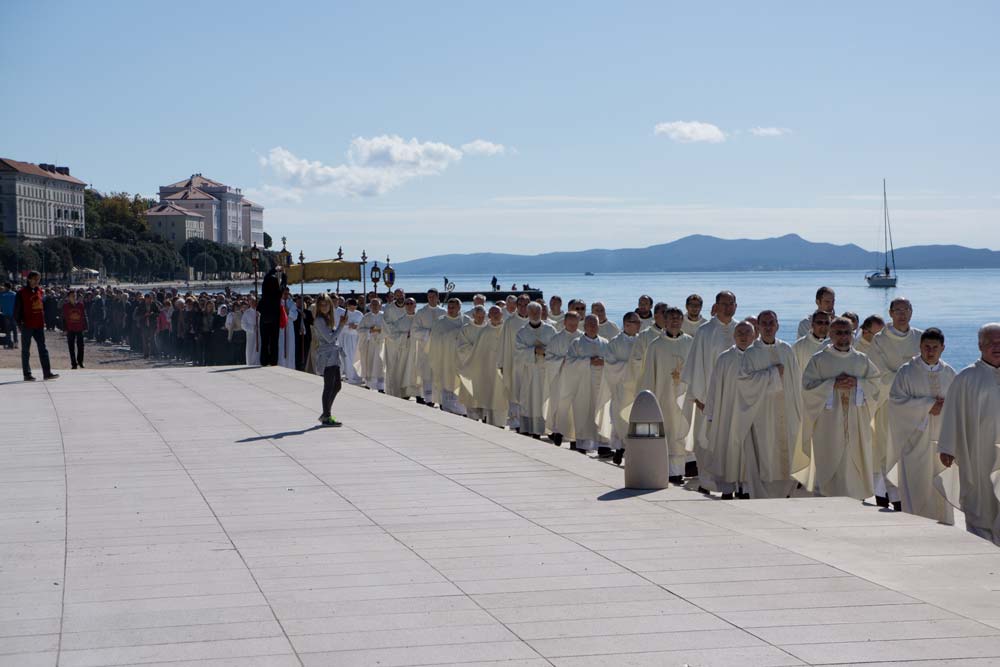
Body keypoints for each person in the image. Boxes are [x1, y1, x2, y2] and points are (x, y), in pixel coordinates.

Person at [800, 317, 881, 500]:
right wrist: (831, 384)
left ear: (853, 335)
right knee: (830, 463)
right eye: (838, 333)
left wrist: (858, 383)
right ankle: (828, 496)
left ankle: (856, 497)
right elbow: (806, 387)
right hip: (828, 424)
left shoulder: (861, 360)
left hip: (856, 423)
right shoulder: (819, 360)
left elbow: (876, 384)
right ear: (830, 334)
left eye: (847, 333)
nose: (843, 337)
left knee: (854, 463)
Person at [937, 323, 1000, 544]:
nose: (997, 346)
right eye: (991, 342)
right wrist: (947, 447)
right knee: (981, 504)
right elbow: (952, 413)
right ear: (980, 346)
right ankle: (982, 550)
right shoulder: (966, 377)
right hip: (978, 454)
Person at [887, 328, 956, 524]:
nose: (930, 351)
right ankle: (916, 527)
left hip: (943, 442)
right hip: (915, 442)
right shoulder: (907, 372)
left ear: (943, 348)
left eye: (935, 347)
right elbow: (895, 402)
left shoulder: (950, 372)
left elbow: (960, 404)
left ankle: (944, 528)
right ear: (920, 347)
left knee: (942, 490)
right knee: (917, 489)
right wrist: (927, 406)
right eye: (926, 347)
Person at [734, 310, 805, 499]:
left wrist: (799, 412)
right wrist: (772, 374)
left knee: (788, 456)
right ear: (757, 327)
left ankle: (786, 494)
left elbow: (796, 383)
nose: (767, 327)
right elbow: (744, 383)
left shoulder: (787, 350)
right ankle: (764, 497)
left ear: (777, 326)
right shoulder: (751, 353)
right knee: (766, 456)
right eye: (763, 323)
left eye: (771, 323)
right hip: (762, 415)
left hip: (787, 411)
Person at [869, 297, 922, 509]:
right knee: (888, 451)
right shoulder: (879, 340)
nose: (902, 314)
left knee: (914, 451)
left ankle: (913, 494)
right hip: (889, 405)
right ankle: (890, 495)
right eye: (897, 310)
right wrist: (908, 383)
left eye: (906, 309)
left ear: (911, 312)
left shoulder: (920, 337)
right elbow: (877, 373)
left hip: (917, 407)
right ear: (890, 313)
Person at [682, 290, 737, 482]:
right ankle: (706, 480)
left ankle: (731, 479)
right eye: (724, 304)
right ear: (716, 306)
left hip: (734, 397)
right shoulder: (705, 331)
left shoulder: (740, 330)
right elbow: (696, 364)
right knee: (706, 439)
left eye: (731, 304)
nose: (728, 307)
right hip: (708, 397)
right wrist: (699, 397)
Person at [703, 321, 758, 498]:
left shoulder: (759, 357)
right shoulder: (725, 358)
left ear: (754, 335)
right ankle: (728, 489)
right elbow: (713, 387)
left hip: (752, 415)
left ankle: (747, 488)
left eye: (747, 333)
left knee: (749, 452)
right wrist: (711, 414)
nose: (743, 336)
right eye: (739, 333)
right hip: (728, 414)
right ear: (734, 337)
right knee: (728, 451)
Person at [638, 307, 693, 482]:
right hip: (663, 397)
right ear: (665, 320)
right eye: (671, 318)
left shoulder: (690, 343)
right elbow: (648, 375)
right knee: (667, 432)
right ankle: (670, 473)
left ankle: (682, 469)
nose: (675, 321)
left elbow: (696, 370)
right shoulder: (655, 345)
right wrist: (649, 401)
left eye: (678, 318)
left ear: (682, 320)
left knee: (683, 430)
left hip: (684, 396)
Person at [562, 315, 612, 456]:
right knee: (584, 413)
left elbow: (611, 361)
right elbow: (569, 363)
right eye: (589, 325)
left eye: (594, 324)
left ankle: (603, 445)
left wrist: (604, 362)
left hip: (601, 385)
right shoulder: (576, 343)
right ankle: (583, 445)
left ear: (598, 326)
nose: (592, 327)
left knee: (602, 413)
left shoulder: (606, 343)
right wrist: (588, 361)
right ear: (584, 326)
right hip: (583, 386)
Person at [603, 312, 643, 465]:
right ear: (626, 324)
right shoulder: (614, 343)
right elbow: (610, 365)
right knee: (620, 419)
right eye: (636, 322)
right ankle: (620, 448)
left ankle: (634, 450)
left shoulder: (642, 341)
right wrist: (632, 366)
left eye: (639, 322)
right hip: (621, 388)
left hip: (638, 387)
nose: (639, 325)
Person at [456, 306, 507, 425]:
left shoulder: (506, 330)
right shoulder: (485, 331)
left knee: (499, 398)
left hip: (501, 372)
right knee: (485, 396)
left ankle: (499, 424)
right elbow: (476, 352)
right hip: (484, 371)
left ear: (502, 315)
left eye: (497, 313)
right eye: (493, 313)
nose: (495, 316)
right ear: (489, 316)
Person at [515, 302, 558, 438]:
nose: (534, 314)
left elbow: (556, 348)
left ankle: (547, 428)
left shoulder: (550, 330)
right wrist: (534, 350)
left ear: (541, 313)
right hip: (530, 373)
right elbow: (518, 352)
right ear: (528, 313)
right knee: (530, 400)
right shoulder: (522, 332)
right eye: (532, 312)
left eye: (537, 312)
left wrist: (545, 351)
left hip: (546, 371)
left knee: (546, 399)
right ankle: (530, 428)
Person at [543, 311, 583, 446]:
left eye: (575, 323)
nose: (572, 325)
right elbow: (548, 358)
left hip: (578, 380)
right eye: (570, 323)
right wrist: (562, 360)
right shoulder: (556, 339)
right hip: (560, 378)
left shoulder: (583, 338)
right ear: (564, 322)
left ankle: (575, 439)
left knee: (576, 408)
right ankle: (557, 432)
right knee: (560, 406)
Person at [13, 271, 58, 381]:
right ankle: (27, 374)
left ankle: (47, 373)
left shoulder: (40, 291)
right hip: (27, 325)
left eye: (39, 279)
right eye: (36, 279)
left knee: (43, 349)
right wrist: (19, 323)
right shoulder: (21, 292)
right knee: (26, 351)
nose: (38, 281)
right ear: (29, 279)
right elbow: (17, 310)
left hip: (39, 325)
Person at [429, 298, 468, 413]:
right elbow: (434, 341)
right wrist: (452, 335)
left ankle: (463, 412)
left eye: (453, 307)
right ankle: (446, 408)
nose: (450, 310)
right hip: (444, 360)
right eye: (449, 307)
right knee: (446, 384)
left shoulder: (466, 321)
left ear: (459, 308)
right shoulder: (440, 322)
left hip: (462, 361)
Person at [312, 293, 345, 427]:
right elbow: (330, 338)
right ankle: (326, 415)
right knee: (329, 386)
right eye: (321, 305)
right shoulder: (319, 320)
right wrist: (341, 326)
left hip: (333, 355)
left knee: (337, 385)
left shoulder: (327, 318)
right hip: (327, 356)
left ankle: (326, 413)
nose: (324, 307)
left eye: (326, 304)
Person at [499, 294, 530, 429]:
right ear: (516, 306)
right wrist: (501, 363)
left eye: (525, 305)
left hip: (530, 364)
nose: (523, 308)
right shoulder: (510, 322)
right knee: (514, 391)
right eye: (520, 305)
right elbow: (503, 343)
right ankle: (516, 422)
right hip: (513, 363)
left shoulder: (534, 322)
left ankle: (529, 421)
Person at [411, 290, 444, 404]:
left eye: (433, 297)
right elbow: (414, 331)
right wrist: (428, 332)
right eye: (429, 297)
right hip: (425, 349)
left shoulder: (443, 312)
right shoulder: (421, 312)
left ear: (437, 297)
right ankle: (428, 399)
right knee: (426, 374)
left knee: (439, 374)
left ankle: (440, 399)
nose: (431, 299)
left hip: (440, 350)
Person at [257, 265, 286, 366]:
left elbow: (266, 278)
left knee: (264, 341)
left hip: (264, 318)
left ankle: (264, 360)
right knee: (274, 341)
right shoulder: (277, 294)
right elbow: (283, 285)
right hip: (274, 319)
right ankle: (273, 360)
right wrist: (284, 275)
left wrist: (274, 269)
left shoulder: (265, 292)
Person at [793, 310, 830, 380]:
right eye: (820, 322)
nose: (823, 326)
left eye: (827, 323)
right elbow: (793, 373)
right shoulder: (799, 346)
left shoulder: (834, 344)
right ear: (812, 325)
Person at [358, 297, 385, 391]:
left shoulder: (385, 316)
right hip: (370, 345)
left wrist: (381, 330)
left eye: (376, 304)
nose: (374, 306)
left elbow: (389, 329)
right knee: (370, 363)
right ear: (370, 306)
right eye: (373, 304)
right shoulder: (366, 317)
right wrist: (369, 330)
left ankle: (381, 386)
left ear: (380, 305)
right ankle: (369, 384)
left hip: (382, 344)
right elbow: (359, 330)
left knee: (380, 364)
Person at [338, 298, 364, 385]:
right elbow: (340, 326)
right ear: (347, 306)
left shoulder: (359, 314)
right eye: (350, 306)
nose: (352, 308)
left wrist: (356, 326)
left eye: (354, 306)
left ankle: (357, 375)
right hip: (346, 338)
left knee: (356, 357)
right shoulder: (343, 314)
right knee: (348, 357)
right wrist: (348, 325)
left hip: (356, 337)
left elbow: (362, 325)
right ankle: (349, 375)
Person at [62, 289, 88, 369]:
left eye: (75, 296)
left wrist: (86, 327)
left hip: (79, 328)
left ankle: (80, 361)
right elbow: (63, 318)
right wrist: (64, 329)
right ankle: (74, 363)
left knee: (81, 346)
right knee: (71, 346)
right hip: (70, 329)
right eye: (72, 296)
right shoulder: (66, 306)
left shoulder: (80, 305)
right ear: (68, 297)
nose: (74, 297)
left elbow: (84, 316)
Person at [277, 288, 298, 370]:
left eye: (287, 293)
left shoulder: (292, 303)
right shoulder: (277, 303)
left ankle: (290, 367)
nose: (286, 295)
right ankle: (281, 365)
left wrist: (288, 312)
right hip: (281, 329)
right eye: (284, 293)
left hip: (289, 328)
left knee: (290, 347)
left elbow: (295, 316)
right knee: (281, 346)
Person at [242, 295, 261, 366]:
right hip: (251, 335)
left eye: (254, 301)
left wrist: (259, 317)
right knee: (250, 350)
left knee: (259, 349)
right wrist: (252, 328)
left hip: (259, 335)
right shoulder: (246, 313)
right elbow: (243, 325)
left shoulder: (260, 311)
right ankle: (250, 363)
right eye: (251, 301)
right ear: (249, 303)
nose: (253, 303)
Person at [0, 281, 17, 349]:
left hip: (5, 314)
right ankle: (16, 343)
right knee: (14, 329)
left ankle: (9, 343)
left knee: (8, 330)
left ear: (6, 287)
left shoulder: (2, 295)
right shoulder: (14, 294)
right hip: (14, 314)